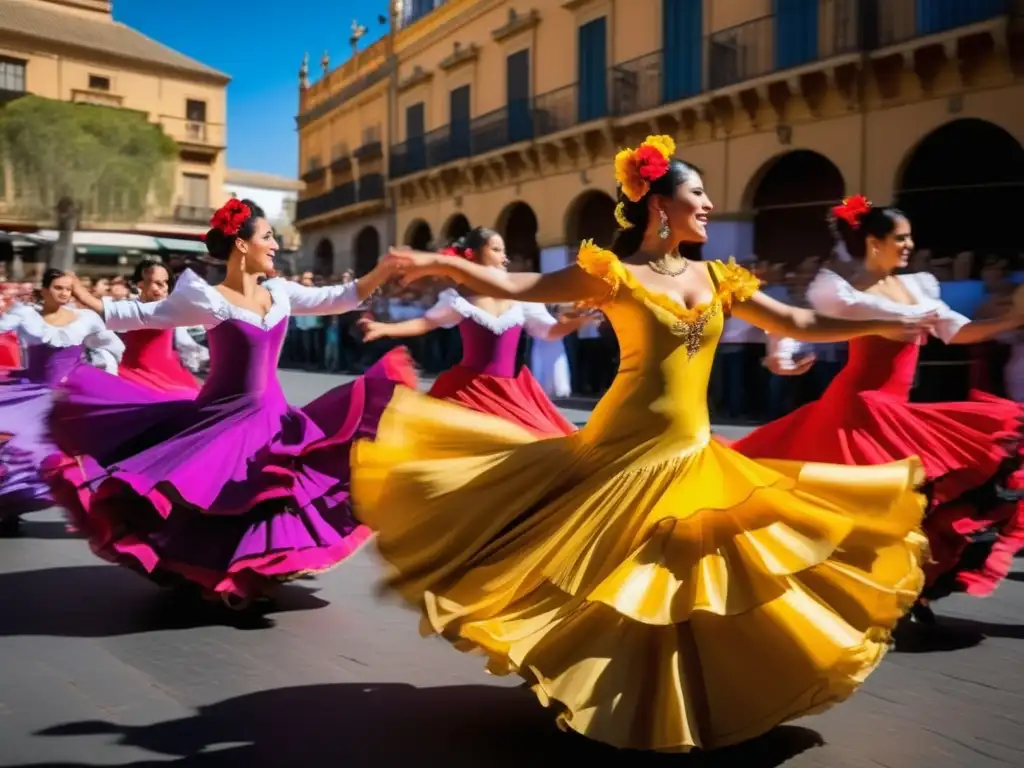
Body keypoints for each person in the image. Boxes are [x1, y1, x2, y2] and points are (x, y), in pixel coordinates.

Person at [350, 136, 934, 752]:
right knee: (618, 581)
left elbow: (801, 324)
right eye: (697, 193)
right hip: (621, 450)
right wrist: (440, 264)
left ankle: (676, 706)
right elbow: (522, 286)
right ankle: (623, 699)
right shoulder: (613, 275)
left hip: (692, 451)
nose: (709, 204)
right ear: (660, 205)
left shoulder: (721, 278)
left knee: (684, 582)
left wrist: (885, 321)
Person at [43, 198, 413, 608]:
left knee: (266, 495)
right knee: (220, 499)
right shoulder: (205, 298)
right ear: (242, 244)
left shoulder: (281, 292)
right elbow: (142, 314)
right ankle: (217, 574)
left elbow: (340, 297)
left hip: (273, 415)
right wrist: (83, 295)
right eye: (268, 236)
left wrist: (382, 270)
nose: (275, 245)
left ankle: (252, 571)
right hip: (223, 416)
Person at [734, 197, 1024, 611]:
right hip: (857, 409)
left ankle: (905, 589)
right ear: (874, 242)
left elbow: (957, 331)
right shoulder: (844, 290)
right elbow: (800, 319)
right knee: (872, 505)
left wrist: (1009, 322)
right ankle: (860, 589)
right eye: (900, 239)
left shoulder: (917, 285)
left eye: (909, 238)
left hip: (895, 410)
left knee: (917, 499)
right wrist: (782, 354)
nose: (909, 246)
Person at [358, 227, 585, 437]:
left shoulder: (522, 297)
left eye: (503, 251)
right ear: (472, 254)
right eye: (496, 250)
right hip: (469, 390)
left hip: (512, 391)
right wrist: (384, 328)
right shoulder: (457, 299)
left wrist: (574, 322)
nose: (503, 257)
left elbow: (548, 332)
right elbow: (426, 323)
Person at [0, 269, 124, 534]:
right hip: (30, 392)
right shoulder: (26, 315)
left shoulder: (85, 319)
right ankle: (8, 510)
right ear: (44, 290)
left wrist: (103, 373)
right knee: (20, 450)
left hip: (70, 394)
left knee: (72, 455)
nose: (65, 294)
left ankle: (90, 514)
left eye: (68, 289)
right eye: (58, 288)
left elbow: (111, 346)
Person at [110, 259, 208, 395]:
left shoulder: (170, 308)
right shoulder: (128, 307)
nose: (163, 287)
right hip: (134, 374)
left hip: (166, 374)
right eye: (156, 282)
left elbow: (186, 342)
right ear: (140, 284)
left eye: (166, 282)